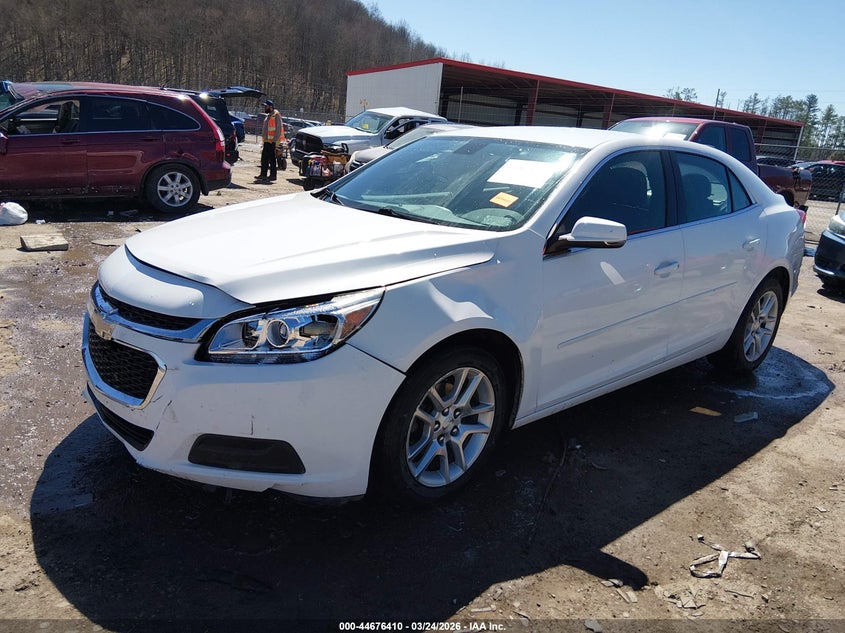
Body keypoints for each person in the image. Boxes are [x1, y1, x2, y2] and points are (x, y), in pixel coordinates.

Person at [256, 99, 285, 183]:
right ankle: (263, 174)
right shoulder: (268, 115)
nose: (265, 108)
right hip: (266, 141)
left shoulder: (276, 115)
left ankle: (273, 175)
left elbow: (278, 129)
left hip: (272, 141)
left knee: (272, 159)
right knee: (264, 158)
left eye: (266, 106)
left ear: (271, 107)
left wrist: (274, 140)